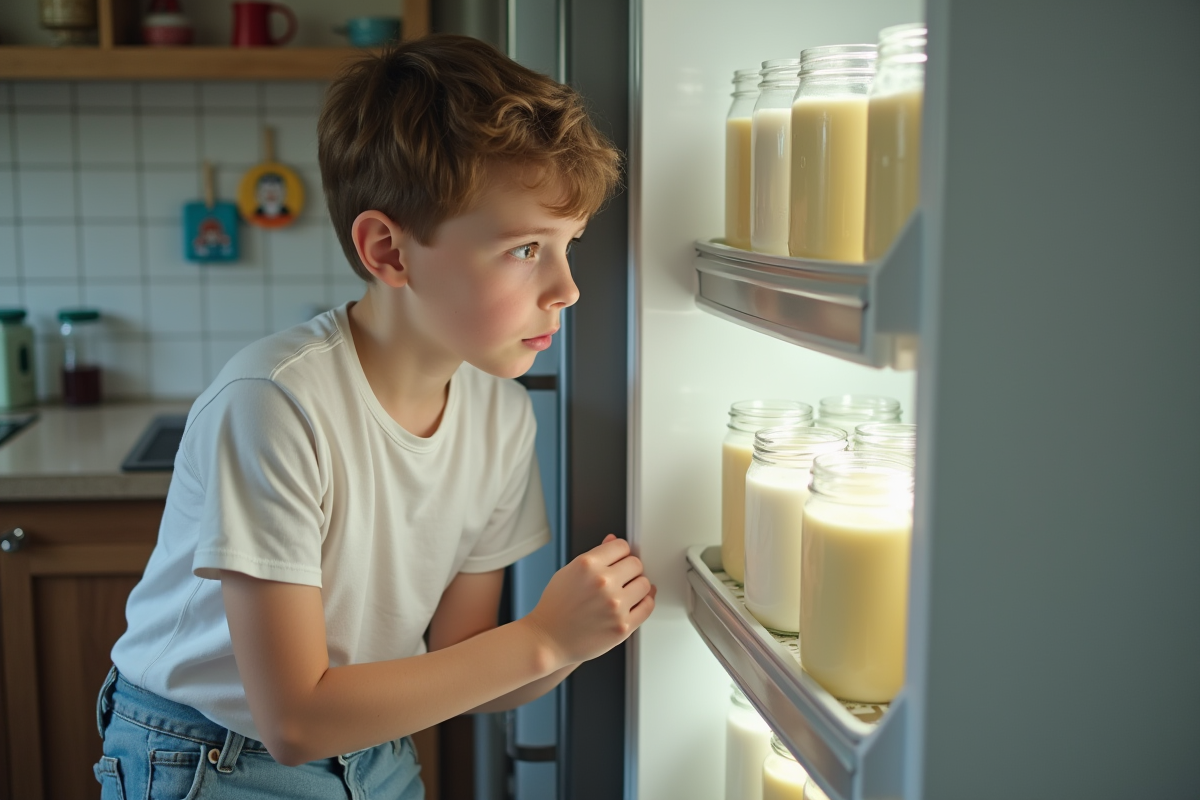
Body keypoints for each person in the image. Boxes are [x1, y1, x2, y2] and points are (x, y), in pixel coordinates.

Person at [95, 34, 653, 799]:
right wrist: (543, 638)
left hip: (374, 747)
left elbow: (468, 666)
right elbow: (293, 719)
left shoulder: (501, 416)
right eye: (525, 248)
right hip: (203, 755)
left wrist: (577, 641)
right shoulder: (276, 402)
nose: (566, 288)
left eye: (569, 244)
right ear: (389, 250)